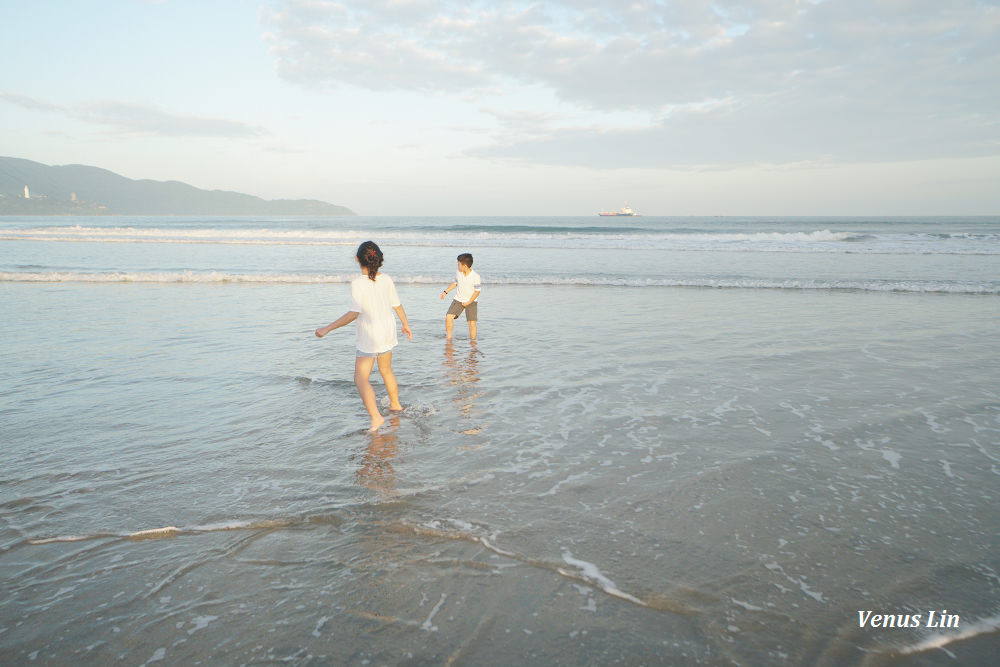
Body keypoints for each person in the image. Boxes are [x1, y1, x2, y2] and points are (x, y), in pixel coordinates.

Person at [316, 241, 412, 432]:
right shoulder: (387, 279)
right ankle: (395, 405)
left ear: (357, 259)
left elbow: (353, 313)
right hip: (387, 331)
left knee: (360, 378)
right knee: (386, 370)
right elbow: (397, 305)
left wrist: (327, 328)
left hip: (370, 334)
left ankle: (376, 417)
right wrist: (406, 324)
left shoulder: (358, 283)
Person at [440, 252, 482, 340]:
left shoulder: (475, 276)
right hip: (458, 300)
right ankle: (449, 339)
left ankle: (473, 342)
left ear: (465, 266)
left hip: (471, 301)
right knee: (448, 317)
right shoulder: (458, 272)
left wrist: (468, 302)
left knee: (472, 323)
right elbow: (455, 283)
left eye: (459, 264)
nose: (457, 266)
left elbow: (477, 292)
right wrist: (445, 292)